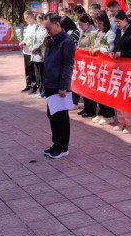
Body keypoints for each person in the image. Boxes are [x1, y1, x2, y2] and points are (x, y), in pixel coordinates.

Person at [42, 13, 76, 159]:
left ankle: (63, 147)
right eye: (45, 28)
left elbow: (68, 66)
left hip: (59, 86)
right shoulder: (52, 39)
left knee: (61, 117)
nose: (47, 31)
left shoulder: (66, 41)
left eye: (48, 28)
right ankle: (56, 144)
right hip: (50, 83)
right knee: (52, 115)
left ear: (57, 25)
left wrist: (63, 86)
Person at [110, 10, 131, 134]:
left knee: (127, 97)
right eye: (115, 22)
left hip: (130, 68)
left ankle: (130, 124)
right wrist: (113, 52)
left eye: (118, 22)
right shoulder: (118, 31)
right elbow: (116, 45)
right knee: (118, 96)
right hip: (118, 68)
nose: (117, 24)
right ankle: (121, 121)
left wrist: (121, 53)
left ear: (124, 19)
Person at [89, 11, 116, 125]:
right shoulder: (98, 32)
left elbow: (109, 48)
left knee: (106, 91)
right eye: (96, 22)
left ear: (105, 21)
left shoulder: (110, 33)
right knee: (99, 91)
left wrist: (98, 49)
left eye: (99, 23)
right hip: (98, 66)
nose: (98, 25)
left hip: (106, 67)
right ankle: (101, 112)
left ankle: (109, 115)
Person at [76, 14, 98, 117]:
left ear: (87, 23)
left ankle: (91, 109)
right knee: (84, 86)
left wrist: (81, 50)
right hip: (83, 63)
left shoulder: (93, 33)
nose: (80, 27)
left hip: (90, 63)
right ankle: (86, 107)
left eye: (81, 24)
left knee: (90, 88)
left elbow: (92, 48)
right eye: (79, 25)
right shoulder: (83, 31)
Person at [20, 11, 39, 93]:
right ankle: (28, 85)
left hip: (31, 51)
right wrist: (22, 42)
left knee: (32, 69)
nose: (25, 20)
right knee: (27, 69)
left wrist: (26, 43)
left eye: (26, 18)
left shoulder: (36, 26)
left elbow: (34, 39)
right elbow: (26, 38)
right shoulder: (28, 26)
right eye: (25, 18)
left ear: (31, 16)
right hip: (25, 51)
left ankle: (34, 86)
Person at [30, 14, 48, 98]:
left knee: (42, 74)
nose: (38, 23)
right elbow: (34, 39)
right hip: (35, 55)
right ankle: (40, 90)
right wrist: (31, 46)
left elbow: (43, 41)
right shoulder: (38, 28)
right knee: (37, 75)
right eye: (37, 21)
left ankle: (44, 91)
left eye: (39, 21)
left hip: (41, 55)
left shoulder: (46, 29)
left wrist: (35, 48)